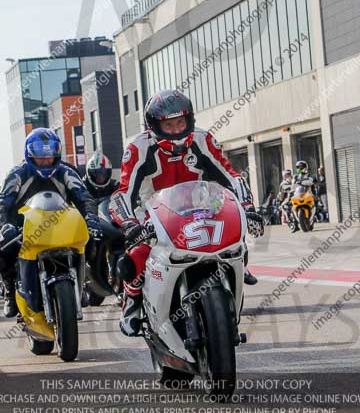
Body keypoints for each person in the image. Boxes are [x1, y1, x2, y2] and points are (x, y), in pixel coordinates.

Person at [109, 90, 265, 337]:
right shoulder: (138, 148)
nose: (176, 129)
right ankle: (132, 301)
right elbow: (123, 193)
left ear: (189, 119)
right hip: (155, 214)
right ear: (154, 125)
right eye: (169, 125)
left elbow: (230, 176)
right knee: (134, 259)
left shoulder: (203, 140)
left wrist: (248, 208)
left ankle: (232, 283)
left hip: (202, 207)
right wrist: (129, 224)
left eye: (180, 122)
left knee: (237, 244)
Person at [0, 128, 101, 318]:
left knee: (93, 241)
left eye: (49, 155)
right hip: (23, 230)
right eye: (40, 155)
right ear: (29, 153)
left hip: (62, 228)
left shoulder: (67, 172)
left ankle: (82, 283)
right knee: (1, 256)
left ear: (57, 152)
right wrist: (5, 225)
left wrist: (91, 218)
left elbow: (85, 198)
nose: (45, 160)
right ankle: (10, 292)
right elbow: (1, 203)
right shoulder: (17, 174)